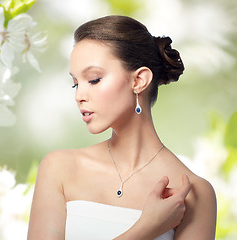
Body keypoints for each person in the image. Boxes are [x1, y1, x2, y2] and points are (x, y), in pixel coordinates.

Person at [27, 15, 217, 240]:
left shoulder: (193, 194)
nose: (79, 95)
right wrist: (147, 228)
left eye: (94, 79)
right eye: (75, 83)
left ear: (138, 81)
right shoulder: (59, 169)